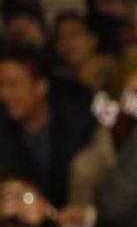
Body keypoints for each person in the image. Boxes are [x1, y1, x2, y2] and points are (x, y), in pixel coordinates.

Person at [0, 43, 100, 207]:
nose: (3, 94)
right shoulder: (4, 129)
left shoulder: (79, 123)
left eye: (13, 85)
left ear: (41, 86)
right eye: (0, 85)